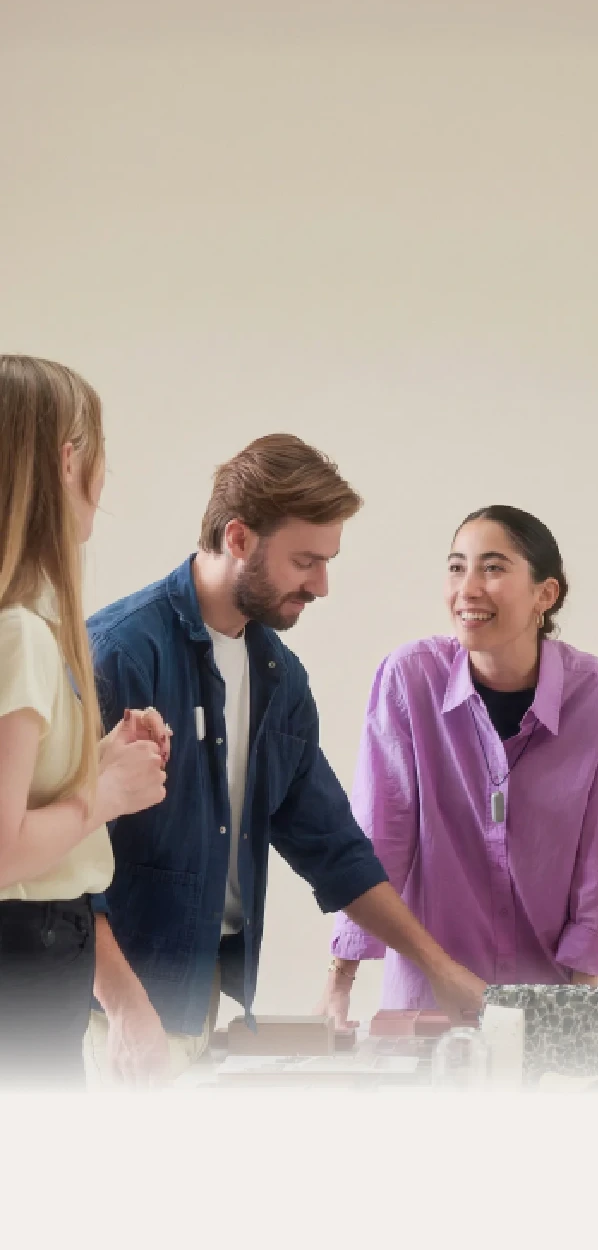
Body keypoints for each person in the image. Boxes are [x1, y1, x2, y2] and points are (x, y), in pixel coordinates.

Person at [84, 433, 485, 1084]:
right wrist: (126, 1010)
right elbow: (67, 864)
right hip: (108, 1015)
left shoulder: (279, 677)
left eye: (326, 561)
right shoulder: (119, 654)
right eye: (305, 560)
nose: (321, 584)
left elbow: (335, 850)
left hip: (194, 1003)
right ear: (239, 537)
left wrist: (439, 970)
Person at [321, 504, 598, 1027]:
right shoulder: (410, 680)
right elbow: (381, 837)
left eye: (492, 568)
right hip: (440, 991)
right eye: (457, 567)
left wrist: (578, 1015)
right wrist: (340, 982)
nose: (467, 589)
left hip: (571, 988)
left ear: (545, 594)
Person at [0, 355, 171, 1089]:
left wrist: (94, 762)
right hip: (26, 958)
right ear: (69, 461)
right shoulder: (20, 634)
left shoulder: (28, 626)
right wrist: (105, 794)